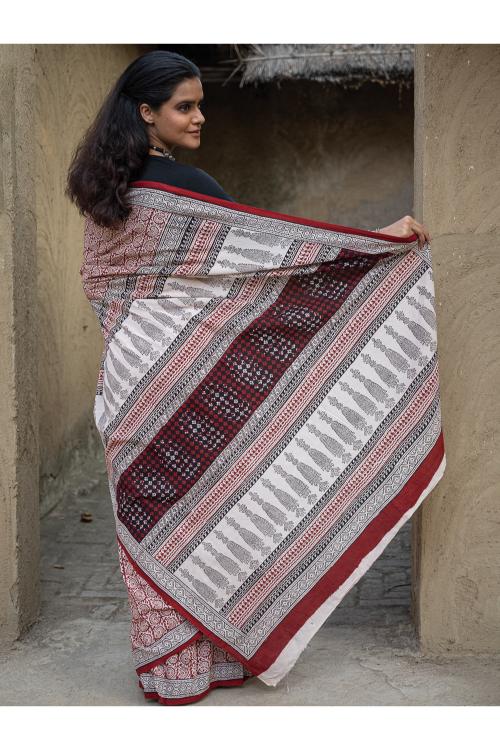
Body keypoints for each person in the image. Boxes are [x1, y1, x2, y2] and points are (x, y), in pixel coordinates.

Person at [66, 49, 435, 706]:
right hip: (180, 389)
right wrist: (378, 244)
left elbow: (108, 292)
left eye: (199, 102)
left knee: (159, 522)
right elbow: (280, 261)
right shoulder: (185, 190)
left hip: (128, 390)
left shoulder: (103, 196)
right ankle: (220, 659)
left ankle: (172, 673)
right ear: (145, 113)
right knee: (215, 514)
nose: (199, 116)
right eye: (185, 105)